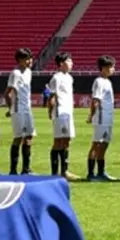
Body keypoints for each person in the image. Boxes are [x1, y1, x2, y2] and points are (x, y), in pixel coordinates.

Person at [48, 51, 78, 180]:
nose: (71, 63)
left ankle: (64, 170)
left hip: (68, 112)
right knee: (58, 141)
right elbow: (52, 96)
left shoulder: (69, 77)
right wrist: (51, 112)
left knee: (67, 140)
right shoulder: (56, 77)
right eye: (69, 61)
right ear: (61, 63)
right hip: (60, 112)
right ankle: (55, 172)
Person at [5, 48, 36, 175]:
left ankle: (26, 169)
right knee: (18, 137)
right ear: (20, 60)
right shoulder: (15, 73)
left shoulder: (29, 72)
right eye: (27, 59)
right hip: (18, 109)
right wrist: (10, 108)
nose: (30, 61)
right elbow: (7, 93)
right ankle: (13, 169)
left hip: (27, 108)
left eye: (30, 58)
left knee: (29, 136)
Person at [87, 55, 116, 181]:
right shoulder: (99, 81)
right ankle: (90, 173)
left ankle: (101, 172)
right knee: (96, 144)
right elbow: (95, 100)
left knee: (104, 144)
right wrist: (91, 115)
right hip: (101, 117)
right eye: (111, 67)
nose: (113, 69)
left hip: (108, 118)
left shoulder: (107, 81)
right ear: (104, 68)